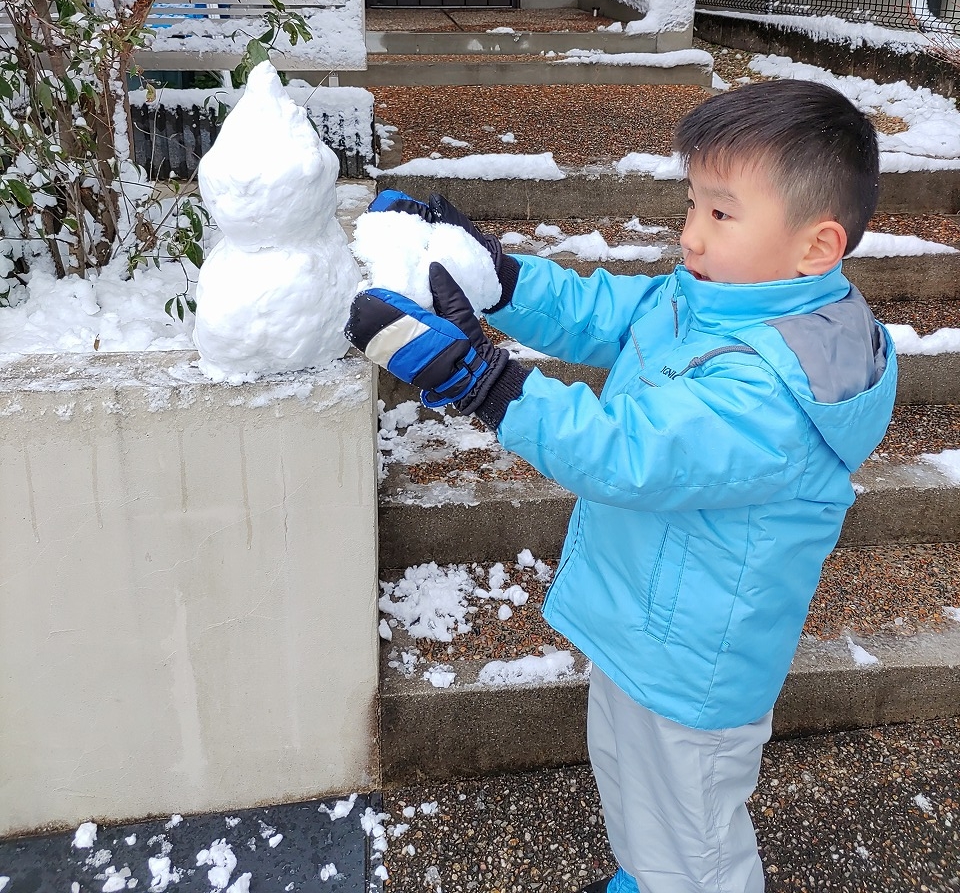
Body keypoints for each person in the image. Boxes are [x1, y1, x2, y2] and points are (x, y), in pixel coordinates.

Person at [346, 78, 897, 893]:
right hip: (639, 619)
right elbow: (606, 312)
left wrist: (484, 383)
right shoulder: (716, 299)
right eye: (691, 205)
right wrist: (501, 279)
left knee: (696, 844)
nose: (691, 238)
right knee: (630, 789)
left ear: (816, 246)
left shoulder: (774, 392)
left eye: (720, 212)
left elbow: (624, 451)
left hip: (695, 661)